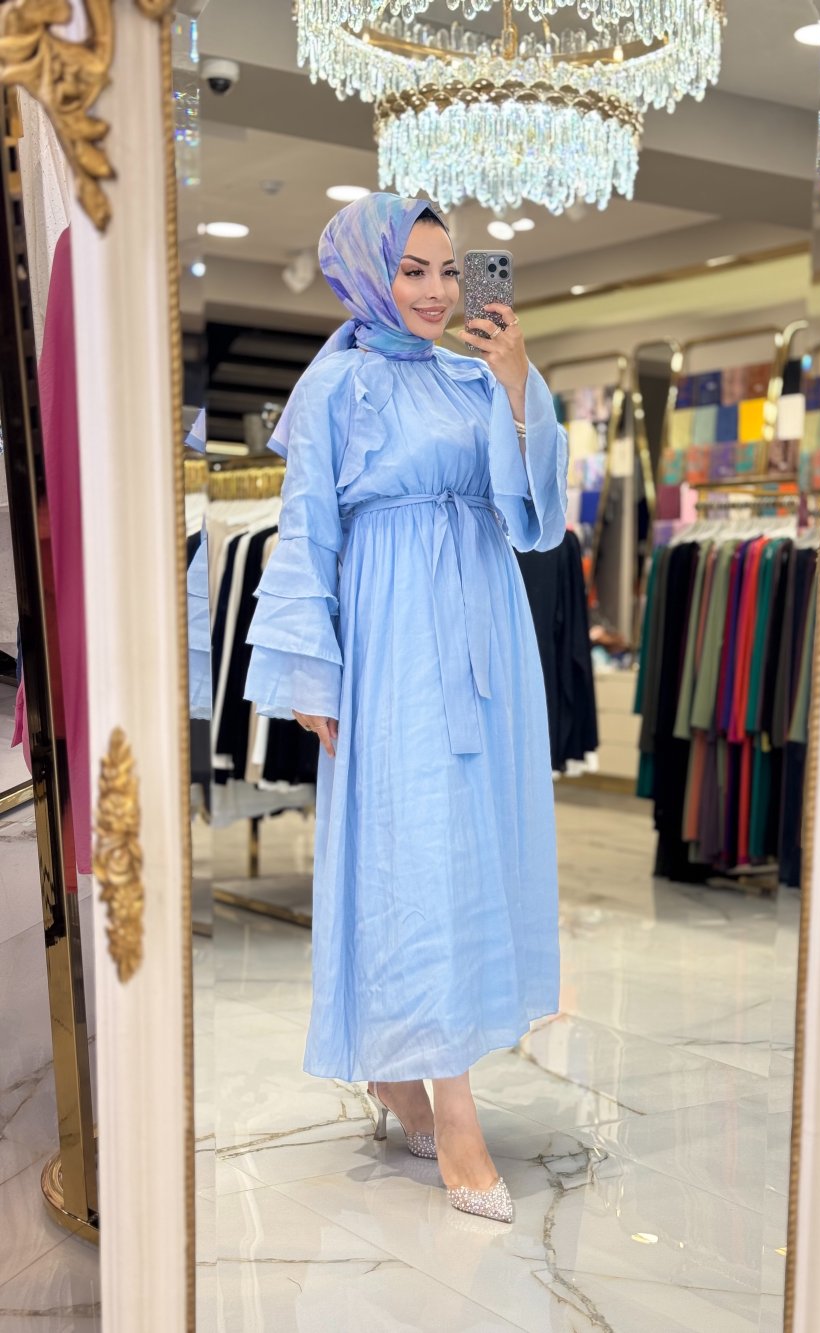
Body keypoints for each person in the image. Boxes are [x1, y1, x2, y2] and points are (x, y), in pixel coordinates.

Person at [243, 193, 568, 1222]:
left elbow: (535, 520)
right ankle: (453, 1110)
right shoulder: (335, 384)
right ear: (366, 274)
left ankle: (400, 1068)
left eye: (447, 269)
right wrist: (310, 673)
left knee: (476, 854)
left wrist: (517, 383)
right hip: (392, 640)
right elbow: (306, 530)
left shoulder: (476, 374)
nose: (435, 291)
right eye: (412, 269)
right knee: (416, 855)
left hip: (486, 634)